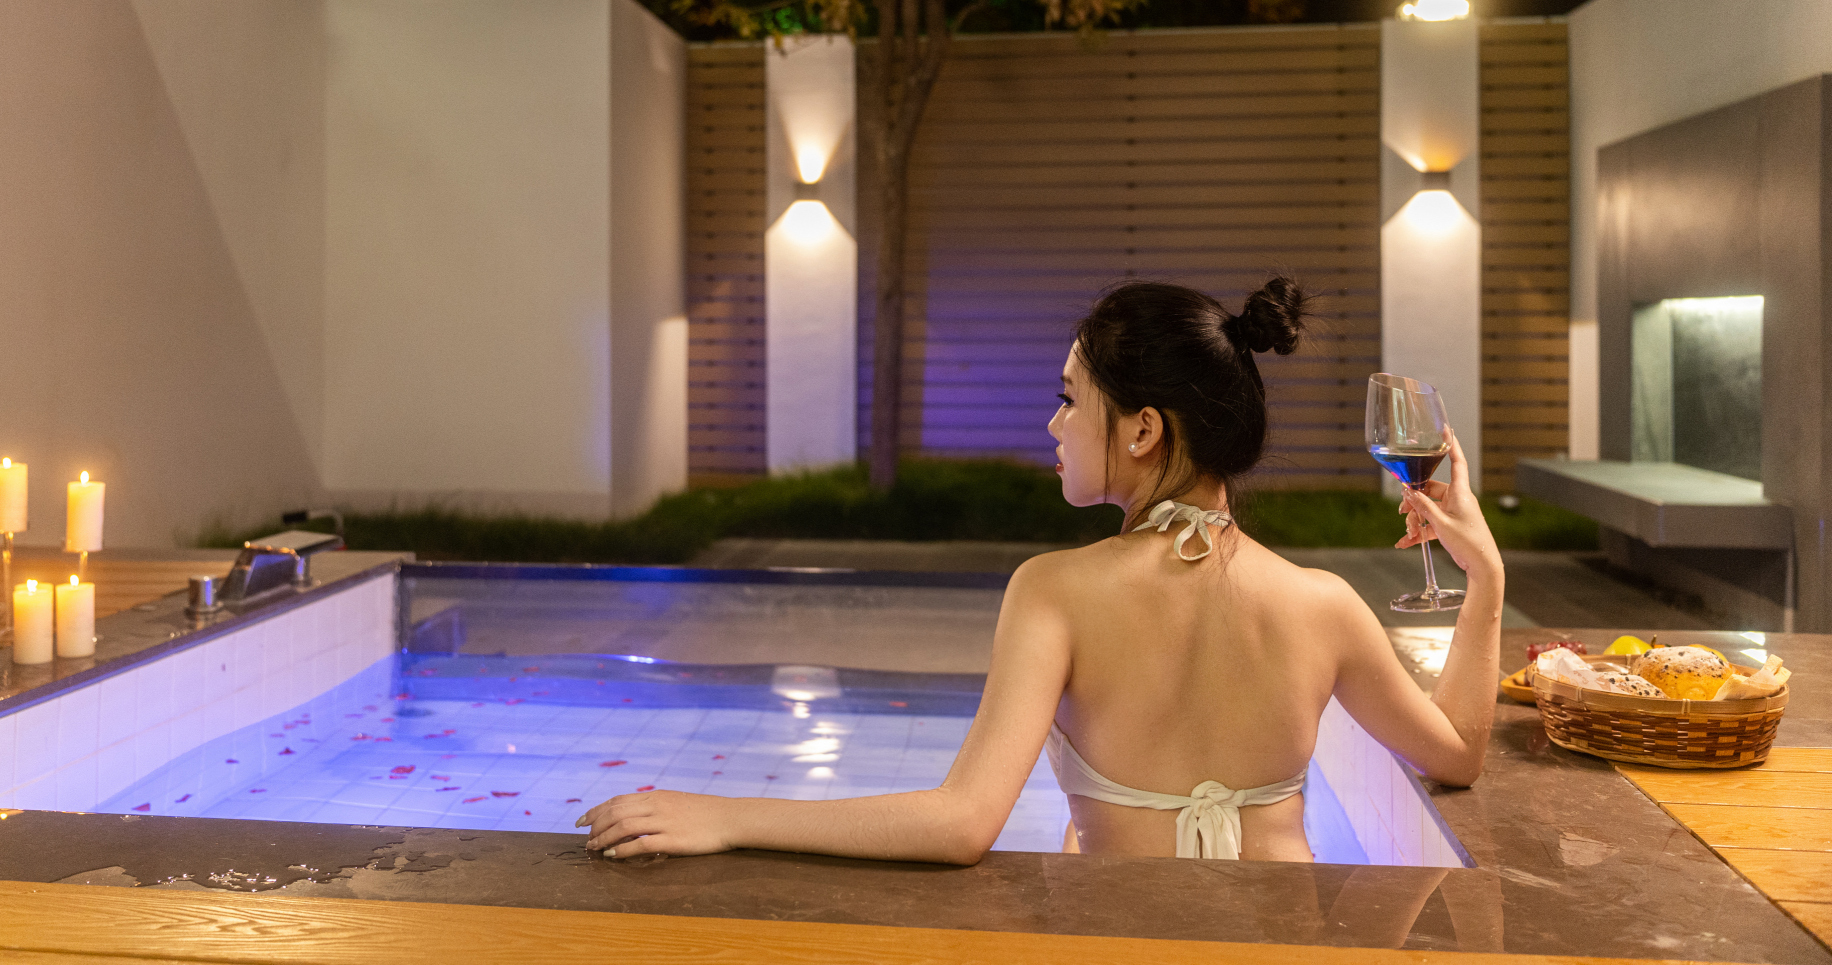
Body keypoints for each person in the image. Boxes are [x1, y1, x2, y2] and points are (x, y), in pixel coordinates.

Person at [579, 277, 1505, 864]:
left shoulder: (1055, 591)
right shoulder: (1324, 605)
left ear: (1143, 429)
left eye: (1070, 399)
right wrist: (1486, 580)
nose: (1054, 424)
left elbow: (961, 822)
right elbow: (1459, 754)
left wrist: (728, 815)